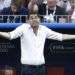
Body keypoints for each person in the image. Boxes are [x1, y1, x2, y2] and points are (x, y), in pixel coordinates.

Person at [0, 13, 75, 75]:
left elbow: (61, 36)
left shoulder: (44, 29)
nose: (34, 19)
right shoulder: (23, 28)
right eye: (31, 18)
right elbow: (10, 35)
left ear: (39, 20)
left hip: (41, 69)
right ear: (28, 21)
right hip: (27, 69)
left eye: (36, 17)